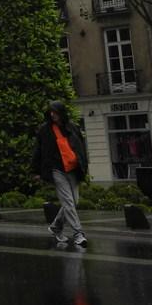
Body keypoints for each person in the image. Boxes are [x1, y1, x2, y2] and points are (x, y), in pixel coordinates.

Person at [32, 100, 88, 247]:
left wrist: (84, 165)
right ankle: (78, 233)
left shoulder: (72, 128)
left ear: (61, 113)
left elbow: (80, 148)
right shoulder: (45, 130)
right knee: (68, 202)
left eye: (55, 112)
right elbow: (38, 151)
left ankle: (56, 226)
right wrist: (36, 171)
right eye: (51, 112)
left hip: (73, 169)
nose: (52, 115)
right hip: (57, 170)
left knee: (74, 202)